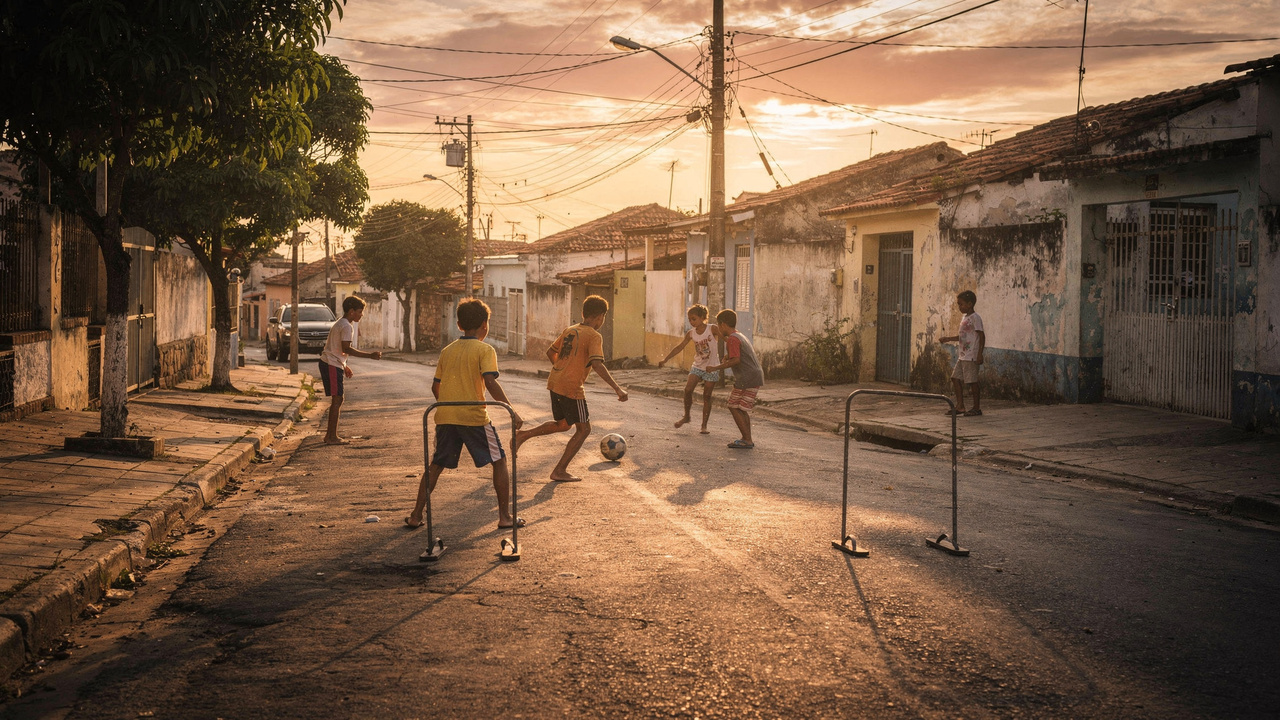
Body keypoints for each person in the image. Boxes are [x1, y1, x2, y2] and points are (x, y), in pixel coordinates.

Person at [407, 299, 524, 529]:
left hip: (446, 416)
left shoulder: (447, 351)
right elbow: (490, 382)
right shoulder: (485, 350)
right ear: (485, 324)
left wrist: (450, 404)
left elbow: (435, 387)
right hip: (474, 417)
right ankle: (504, 516)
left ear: (459, 325)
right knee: (499, 461)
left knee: (436, 465)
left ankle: (415, 515)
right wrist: (512, 411)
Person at [514, 295, 628, 482]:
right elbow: (597, 364)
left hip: (555, 382)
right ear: (601, 316)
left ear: (583, 313)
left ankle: (523, 435)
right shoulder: (594, 335)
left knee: (563, 424)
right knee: (584, 430)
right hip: (571, 387)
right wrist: (617, 389)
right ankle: (559, 470)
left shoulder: (570, 330)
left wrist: (561, 367)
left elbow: (551, 351)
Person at [319, 295, 383, 445]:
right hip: (331, 364)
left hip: (332, 363)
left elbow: (335, 348)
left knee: (338, 399)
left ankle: (330, 435)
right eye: (360, 311)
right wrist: (370, 355)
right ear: (351, 311)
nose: (362, 315)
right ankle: (331, 437)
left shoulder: (342, 323)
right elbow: (346, 348)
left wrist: (344, 365)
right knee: (337, 399)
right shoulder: (346, 326)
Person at [657, 304, 722, 434]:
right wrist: (666, 359)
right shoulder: (691, 333)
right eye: (689, 319)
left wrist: (730, 356)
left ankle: (704, 425)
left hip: (712, 366)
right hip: (698, 366)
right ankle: (687, 416)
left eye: (694, 319)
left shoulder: (712, 329)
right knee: (687, 390)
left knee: (707, 396)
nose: (691, 322)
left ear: (703, 317)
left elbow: (726, 338)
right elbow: (680, 347)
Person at [706, 309, 764, 449]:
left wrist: (716, 368)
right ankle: (747, 438)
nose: (719, 329)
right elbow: (736, 355)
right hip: (754, 375)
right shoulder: (739, 336)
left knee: (733, 405)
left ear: (723, 324)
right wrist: (727, 357)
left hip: (746, 376)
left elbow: (736, 360)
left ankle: (747, 439)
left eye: (719, 326)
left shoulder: (732, 339)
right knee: (741, 408)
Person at [939, 290, 985, 417]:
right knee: (955, 378)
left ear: (970, 304)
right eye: (958, 304)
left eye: (961, 304)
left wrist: (979, 354)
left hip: (971, 355)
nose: (959, 307)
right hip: (963, 354)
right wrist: (948, 339)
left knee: (972, 381)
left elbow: (981, 336)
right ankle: (960, 406)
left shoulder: (975, 318)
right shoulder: (964, 318)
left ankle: (976, 408)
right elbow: (962, 336)